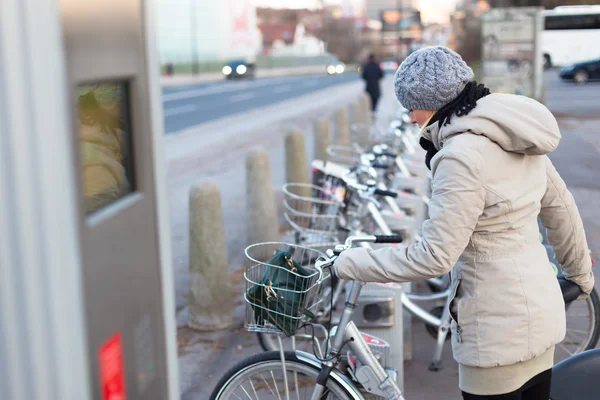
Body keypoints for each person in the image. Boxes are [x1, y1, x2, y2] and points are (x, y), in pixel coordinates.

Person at [334, 46, 595, 399]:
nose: (410, 117)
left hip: (495, 335)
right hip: (541, 319)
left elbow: (433, 256)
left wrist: (349, 263)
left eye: (412, 105)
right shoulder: (515, 134)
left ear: (436, 102)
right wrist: (579, 276)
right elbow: (561, 210)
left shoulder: (460, 157)